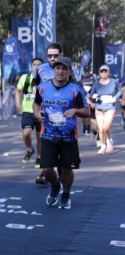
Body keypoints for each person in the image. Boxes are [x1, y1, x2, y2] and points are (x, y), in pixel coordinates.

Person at [33, 56, 89, 210]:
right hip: (48, 134)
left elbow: (87, 111)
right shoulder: (43, 87)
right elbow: (37, 103)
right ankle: (55, 186)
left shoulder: (75, 89)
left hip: (68, 136)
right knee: (46, 169)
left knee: (67, 169)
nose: (61, 71)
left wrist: (75, 111)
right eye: (58, 68)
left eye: (64, 69)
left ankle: (66, 194)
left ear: (69, 72)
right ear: (54, 70)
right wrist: (37, 114)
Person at [32, 43, 63, 182]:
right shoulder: (40, 69)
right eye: (49, 55)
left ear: (61, 55)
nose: (52, 58)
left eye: (55, 55)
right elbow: (35, 85)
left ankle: (62, 173)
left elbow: (76, 88)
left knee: (62, 144)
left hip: (63, 113)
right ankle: (46, 172)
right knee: (46, 141)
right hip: (46, 113)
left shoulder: (67, 69)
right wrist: (37, 110)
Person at [15, 57, 43, 163]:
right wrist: (19, 106)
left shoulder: (46, 79)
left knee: (40, 135)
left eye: (39, 65)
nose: (36, 67)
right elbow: (17, 92)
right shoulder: (25, 78)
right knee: (26, 133)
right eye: (34, 65)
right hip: (27, 110)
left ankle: (39, 156)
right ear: (31, 66)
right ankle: (30, 149)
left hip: (41, 110)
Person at [88, 65, 118, 154]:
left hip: (110, 108)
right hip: (99, 108)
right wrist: (94, 96)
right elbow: (90, 95)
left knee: (106, 127)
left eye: (105, 71)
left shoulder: (114, 82)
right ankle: (103, 145)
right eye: (102, 71)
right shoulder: (96, 84)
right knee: (100, 129)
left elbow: (120, 91)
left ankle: (108, 140)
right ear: (99, 73)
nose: (103, 73)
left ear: (109, 72)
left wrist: (115, 97)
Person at [78, 66, 96, 137]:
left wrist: (90, 95)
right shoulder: (81, 78)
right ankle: (84, 127)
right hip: (82, 97)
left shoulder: (92, 78)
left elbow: (95, 87)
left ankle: (88, 128)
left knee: (88, 114)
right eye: (85, 72)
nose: (86, 73)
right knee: (83, 114)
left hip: (90, 98)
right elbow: (79, 87)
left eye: (87, 72)